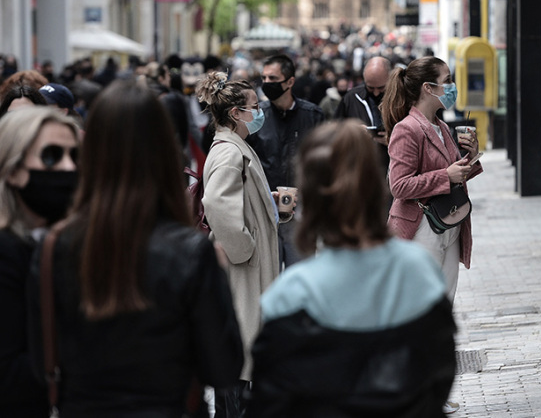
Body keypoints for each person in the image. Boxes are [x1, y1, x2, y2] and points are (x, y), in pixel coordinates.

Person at [27, 82, 243, 417]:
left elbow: (39, 358)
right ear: (164, 149)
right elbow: (224, 367)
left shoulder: (55, 246)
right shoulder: (189, 252)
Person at [249, 120, 457, 417]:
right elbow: (438, 378)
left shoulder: (289, 295)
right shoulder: (418, 272)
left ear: (309, 197)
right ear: (375, 187)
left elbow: (271, 401)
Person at [382, 56, 482, 415]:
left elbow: (456, 173)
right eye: (447, 80)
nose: (451, 87)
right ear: (428, 88)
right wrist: (445, 176)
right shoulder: (407, 129)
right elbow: (399, 185)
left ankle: (432, 391)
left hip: (448, 226)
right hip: (420, 230)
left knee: (440, 312)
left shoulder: (439, 125)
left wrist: (471, 158)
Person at [197, 71, 282, 418]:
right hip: (243, 267)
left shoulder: (235, 146)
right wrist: (245, 248)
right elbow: (217, 203)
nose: (259, 111)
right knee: (242, 351)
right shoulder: (230, 151)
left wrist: (270, 207)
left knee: (245, 350)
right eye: (253, 106)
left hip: (247, 263)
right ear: (236, 113)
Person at [0, 108, 79, 417]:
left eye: (74, 156)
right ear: (12, 170)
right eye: (51, 156)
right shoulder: (8, 251)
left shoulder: (59, 241)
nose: (68, 167)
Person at [247, 54, 324, 265]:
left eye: (273, 78)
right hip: (265, 209)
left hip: (301, 213)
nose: (267, 83)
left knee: (301, 272)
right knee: (267, 275)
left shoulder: (312, 116)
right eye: (264, 78)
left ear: (290, 82)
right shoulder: (257, 117)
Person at [335, 56, 392, 171]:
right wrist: (353, 132)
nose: (376, 93)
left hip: (391, 168)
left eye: (381, 88)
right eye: (370, 88)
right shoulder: (351, 98)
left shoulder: (401, 99)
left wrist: (394, 140)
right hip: (359, 167)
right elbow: (335, 130)